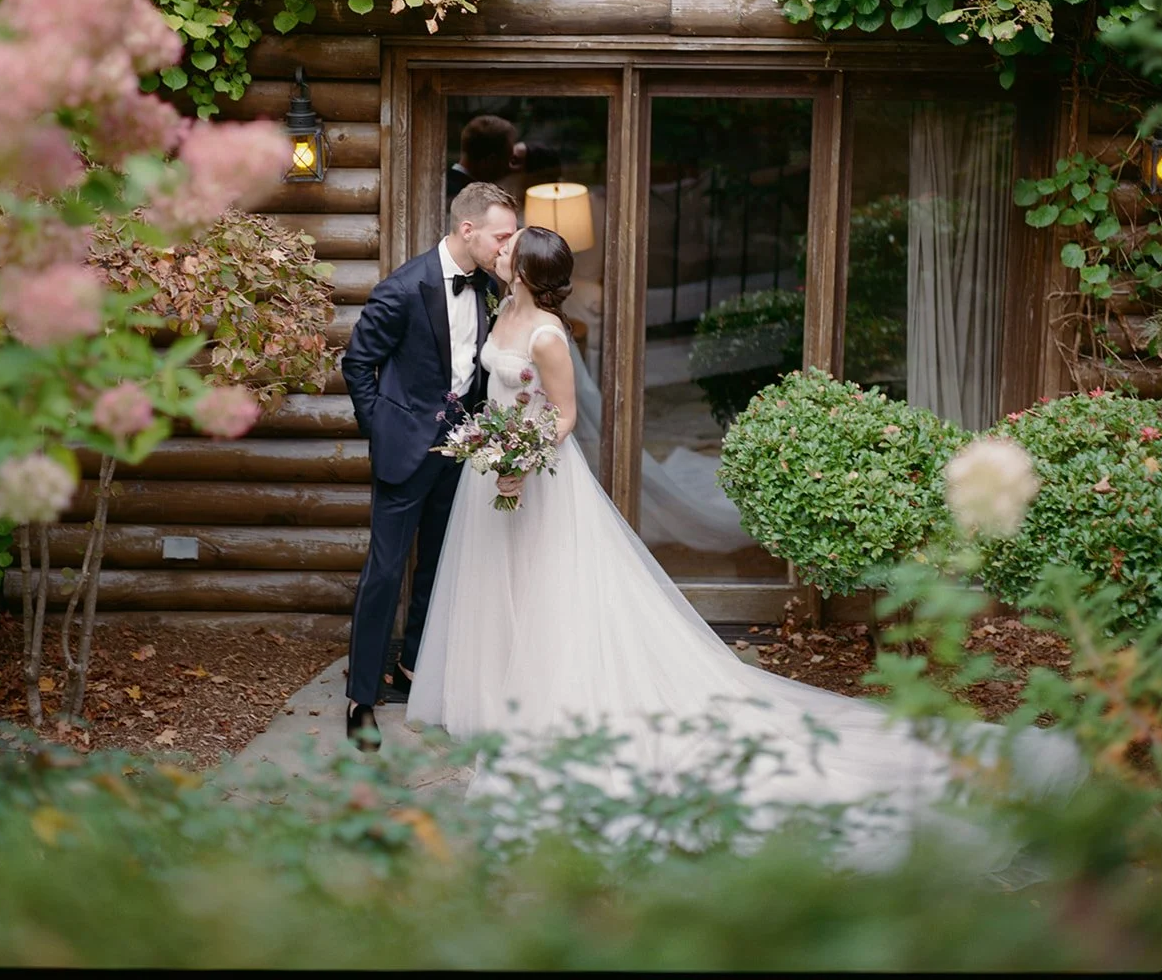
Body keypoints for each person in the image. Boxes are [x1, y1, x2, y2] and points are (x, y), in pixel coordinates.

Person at [406, 225, 1082, 871]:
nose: (500, 250)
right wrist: (488, 445)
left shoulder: (549, 334)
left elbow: (565, 416)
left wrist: (524, 457)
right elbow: (493, 394)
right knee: (503, 586)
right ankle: (500, 696)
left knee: (552, 589)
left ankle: (550, 710)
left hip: (540, 480)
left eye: (510, 247)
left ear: (524, 270)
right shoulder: (500, 312)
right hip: (493, 474)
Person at [340, 180, 518, 749]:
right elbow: (356, 367)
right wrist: (384, 428)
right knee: (385, 572)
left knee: (440, 567)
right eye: (501, 236)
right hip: (405, 453)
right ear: (469, 231)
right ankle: (360, 698)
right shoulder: (402, 288)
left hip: (462, 451)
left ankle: (412, 667)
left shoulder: (492, 289)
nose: (506, 245)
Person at [445, 114, 518, 203]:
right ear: (491, 161)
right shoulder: (474, 200)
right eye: (508, 160)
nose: (510, 167)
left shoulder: (441, 183)